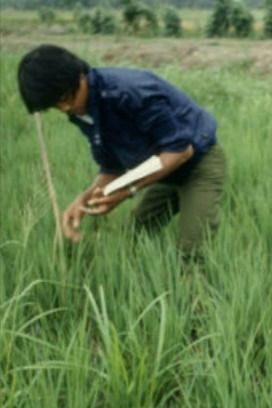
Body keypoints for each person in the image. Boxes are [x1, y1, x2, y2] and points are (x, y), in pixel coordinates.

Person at [18, 44, 225, 254]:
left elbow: (181, 151)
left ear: (80, 77)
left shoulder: (130, 92)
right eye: (56, 106)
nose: (66, 108)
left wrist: (126, 192)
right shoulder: (81, 111)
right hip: (164, 170)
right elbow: (111, 167)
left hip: (199, 164)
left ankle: (193, 284)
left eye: (66, 98)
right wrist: (84, 200)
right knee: (132, 238)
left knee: (192, 250)